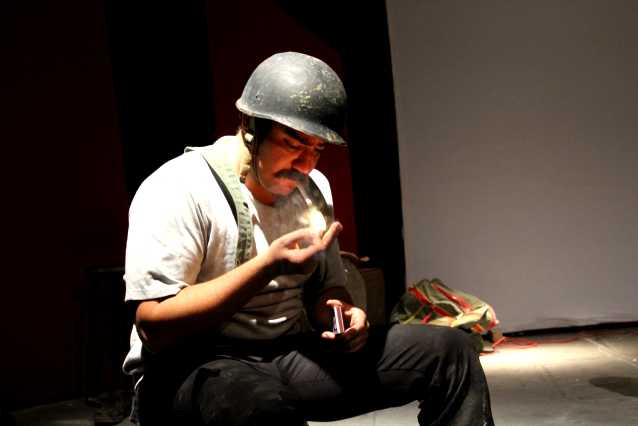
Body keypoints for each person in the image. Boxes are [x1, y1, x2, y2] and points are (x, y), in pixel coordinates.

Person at [122, 51, 494, 425]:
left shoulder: (312, 188)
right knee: (261, 406)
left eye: (317, 149)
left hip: (284, 354)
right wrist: (266, 267)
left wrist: (341, 315)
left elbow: (326, 290)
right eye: (293, 144)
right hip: (193, 367)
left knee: (451, 351)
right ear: (250, 126)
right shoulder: (180, 188)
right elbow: (154, 326)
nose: (306, 165)